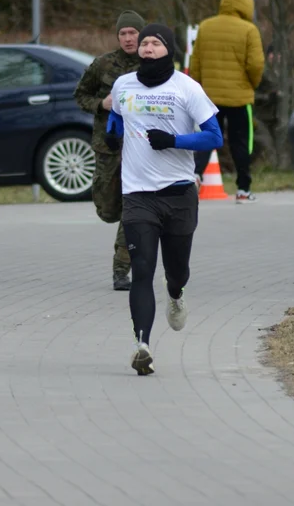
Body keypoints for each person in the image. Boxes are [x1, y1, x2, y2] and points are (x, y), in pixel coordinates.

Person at [106, 24, 223, 375]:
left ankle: (175, 293)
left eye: (155, 43)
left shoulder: (187, 88)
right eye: (144, 43)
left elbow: (213, 136)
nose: (147, 48)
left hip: (179, 194)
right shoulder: (123, 85)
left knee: (176, 271)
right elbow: (116, 118)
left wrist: (174, 141)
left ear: (168, 50)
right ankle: (142, 345)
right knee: (142, 270)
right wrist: (113, 135)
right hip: (138, 195)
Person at [73, 10, 145, 290]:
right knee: (108, 207)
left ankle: (121, 271)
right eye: (123, 34)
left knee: (132, 208)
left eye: (133, 33)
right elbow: (80, 95)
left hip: (140, 147)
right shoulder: (103, 65)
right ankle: (109, 210)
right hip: (108, 146)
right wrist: (100, 104)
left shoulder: (153, 64)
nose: (128, 38)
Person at [189, 0, 265, 202]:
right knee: (241, 143)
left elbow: (196, 63)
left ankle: (194, 176)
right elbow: (256, 65)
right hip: (240, 99)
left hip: (209, 98)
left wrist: (198, 89)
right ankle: (243, 190)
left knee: (207, 139)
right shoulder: (249, 30)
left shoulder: (206, 27)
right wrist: (251, 84)